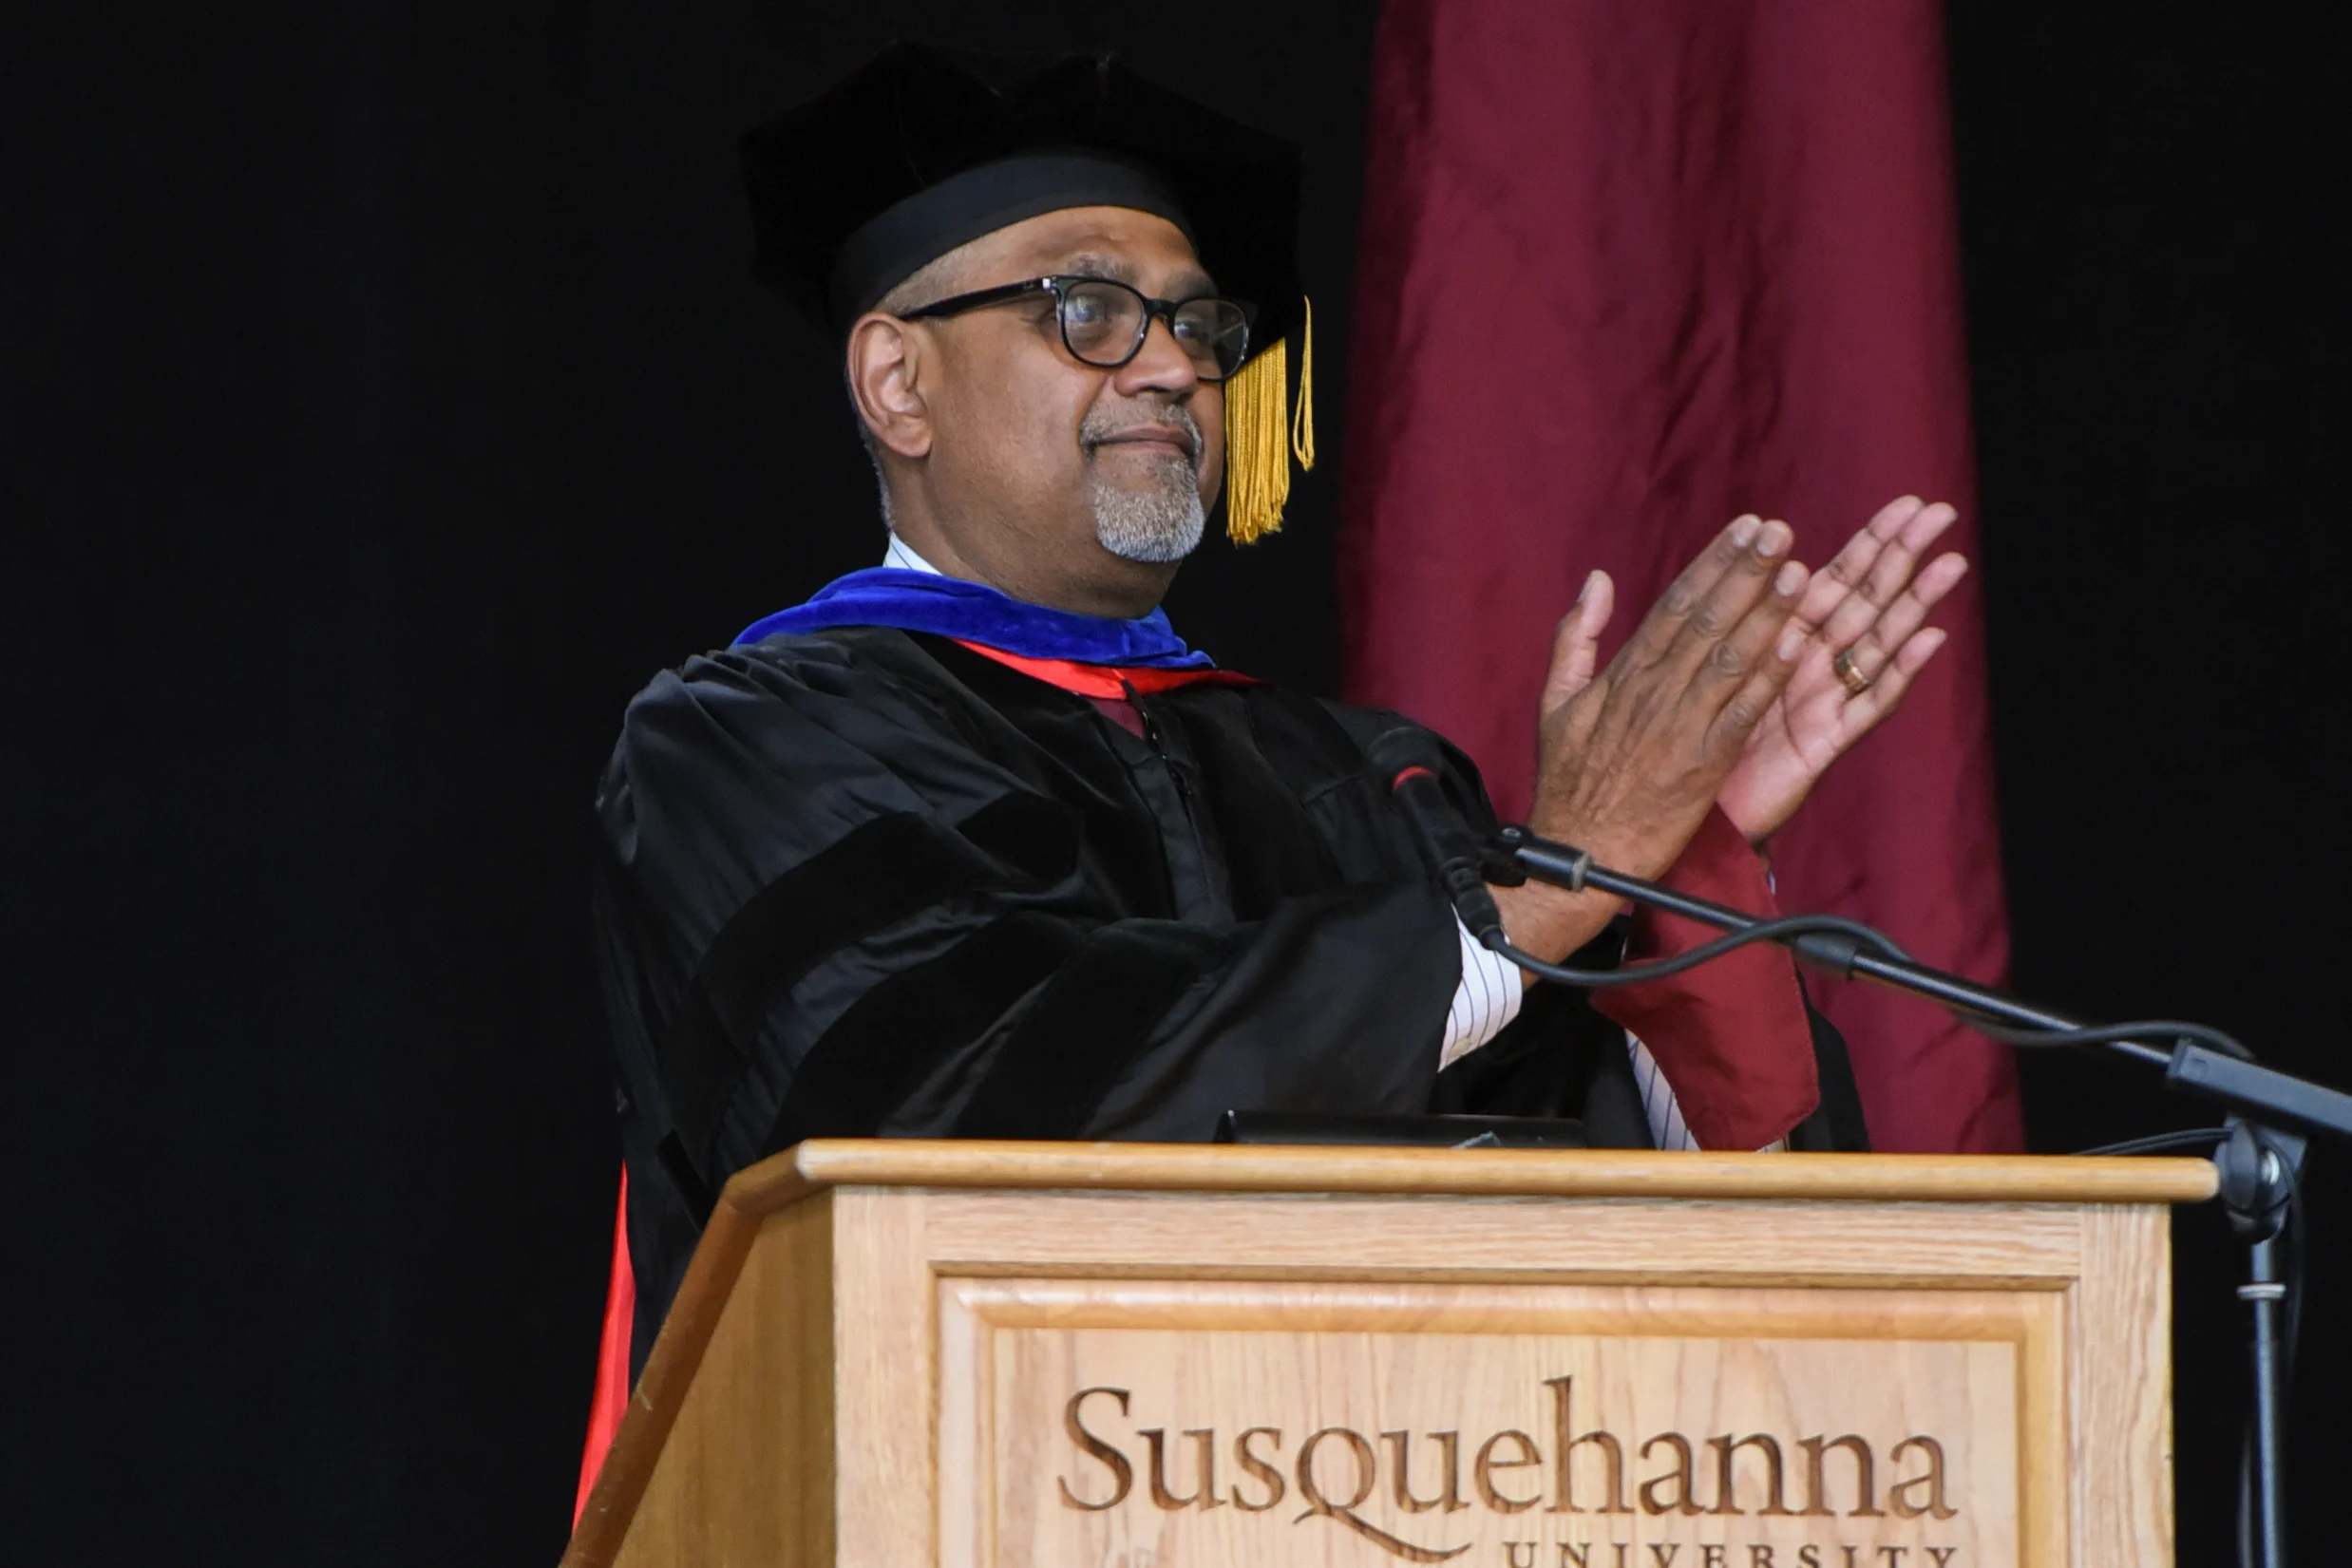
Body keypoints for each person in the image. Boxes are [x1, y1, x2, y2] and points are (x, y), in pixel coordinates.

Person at [589, 44, 1969, 1374]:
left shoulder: (1367, 777)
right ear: (901, 382)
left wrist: (1673, 872)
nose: (1173, 368)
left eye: (1197, 326)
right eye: (1089, 310)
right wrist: (1541, 895)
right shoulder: (743, 748)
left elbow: (1659, 1225)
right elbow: (953, 1110)